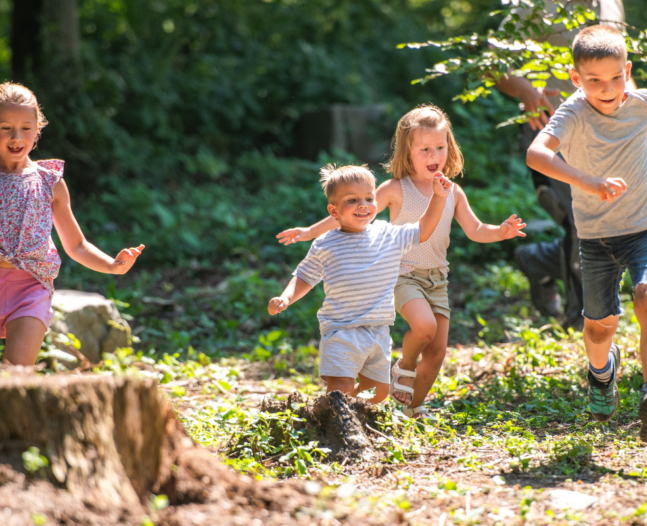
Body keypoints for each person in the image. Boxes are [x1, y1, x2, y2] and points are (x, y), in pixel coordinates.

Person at [277, 105, 526, 419]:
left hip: (437, 278)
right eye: (425, 149)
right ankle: (404, 366)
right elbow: (353, 215)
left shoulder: (452, 191)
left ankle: (412, 407)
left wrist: (500, 232)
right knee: (424, 327)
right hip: (402, 274)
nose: (434, 154)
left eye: (440, 146)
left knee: (436, 352)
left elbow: (476, 230)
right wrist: (309, 231)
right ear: (409, 152)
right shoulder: (396, 188)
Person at [527, 26, 647, 443]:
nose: (606, 89)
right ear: (576, 79)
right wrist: (586, 181)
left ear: (627, 70)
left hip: (646, 226)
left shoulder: (645, 104)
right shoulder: (572, 113)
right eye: (594, 81)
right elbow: (538, 153)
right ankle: (602, 373)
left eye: (615, 78)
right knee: (599, 328)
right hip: (597, 238)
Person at [268, 164, 452, 403]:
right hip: (341, 328)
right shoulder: (326, 244)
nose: (363, 205)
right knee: (340, 387)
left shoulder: (389, 235)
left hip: (378, 329)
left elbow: (424, 229)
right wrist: (286, 297)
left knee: (377, 392)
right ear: (333, 211)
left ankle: (340, 413)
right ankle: (336, 422)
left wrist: (438, 197)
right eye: (352, 200)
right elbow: (305, 276)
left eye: (369, 197)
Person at [494, 0, 627, 330]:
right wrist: (527, 90)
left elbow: (623, 71)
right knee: (583, 219)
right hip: (552, 135)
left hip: (607, 135)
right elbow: (495, 64)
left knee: (614, 222)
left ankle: (537, 260)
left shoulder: (613, 3)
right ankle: (581, 320)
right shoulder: (535, 4)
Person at [0, 82, 145, 366]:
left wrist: (112, 265)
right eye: (5, 127)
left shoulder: (49, 181)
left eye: (26, 128)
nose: (17, 136)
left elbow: (77, 245)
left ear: (38, 128)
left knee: (16, 374)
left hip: (31, 288)